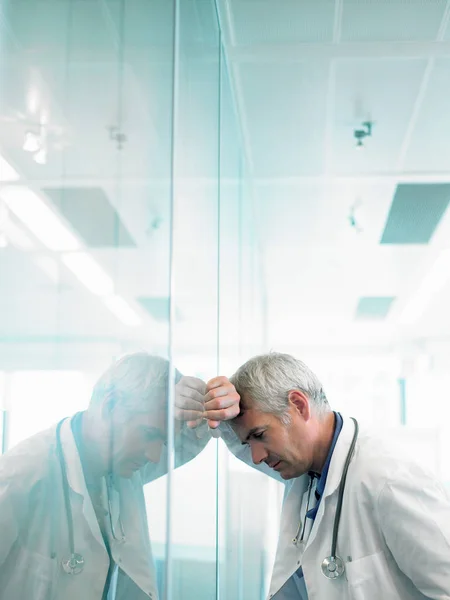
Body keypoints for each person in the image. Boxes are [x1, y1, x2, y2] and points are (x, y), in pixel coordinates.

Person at [203, 352, 450, 600]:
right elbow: (236, 444)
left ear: (299, 406)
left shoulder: (389, 479)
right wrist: (220, 409)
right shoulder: (305, 470)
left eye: (259, 435)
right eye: (248, 443)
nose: (256, 457)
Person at [0, 352, 239, 600]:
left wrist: (205, 402)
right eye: (148, 434)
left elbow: (191, 438)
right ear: (111, 405)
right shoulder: (21, 474)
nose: (156, 456)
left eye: (162, 441)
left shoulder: (122, 463)